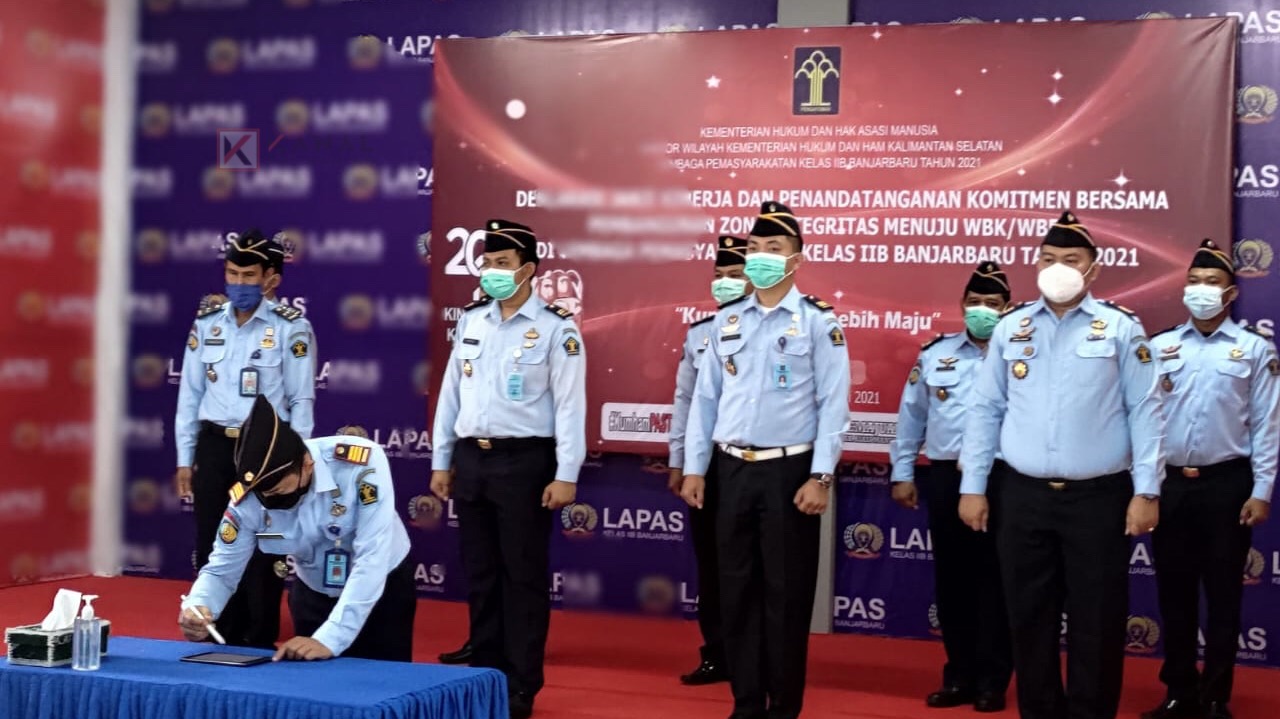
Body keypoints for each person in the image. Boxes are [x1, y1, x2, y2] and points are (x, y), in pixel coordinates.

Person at [959, 211, 1164, 719]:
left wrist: (1147, 490)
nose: (1058, 269)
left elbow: (1145, 410)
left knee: (1097, 620)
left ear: (1093, 269)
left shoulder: (1120, 328)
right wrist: (973, 485)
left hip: (1098, 497)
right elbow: (985, 408)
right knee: (1029, 618)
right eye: (1049, 259)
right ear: (1036, 265)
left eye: (1071, 260)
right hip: (1022, 495)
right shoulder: (1012, 326)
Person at [680, 201, 851, 719]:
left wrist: (821, 476)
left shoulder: (818, 322)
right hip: (730, 469)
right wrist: (695, 467)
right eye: (754, 248)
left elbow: (834, 404)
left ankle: (783, 706)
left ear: (796, 259)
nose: (759, 257)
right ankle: (747, 702)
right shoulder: (727, 320)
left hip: (788, 473)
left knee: (785, 595)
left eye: (773, 249)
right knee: (736, 592)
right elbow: (705, 399)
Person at [430, 219, 586, 719]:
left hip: (525, 462)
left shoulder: (557, 328)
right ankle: (485, 676)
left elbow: (570, 406)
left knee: (522, 576)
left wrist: (566, 473)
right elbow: (451, 393)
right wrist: (442, 459)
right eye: (487, 263)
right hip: (472, 457)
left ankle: (521, 685)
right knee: (480, 574)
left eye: (503, 263)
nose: (492, 271)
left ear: (528, 269)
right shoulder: (473, 320)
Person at [1143, 240, 1280, 719]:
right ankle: (1179, 692)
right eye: (1194, 282)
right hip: (1171, 486)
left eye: (1212, 282)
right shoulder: (1160, 347)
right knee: (1174, 595)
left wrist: (1261, 490)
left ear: (1230, 293)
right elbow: (1146, 421)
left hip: (1227, 485)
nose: (1201, 290)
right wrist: (1146, 486)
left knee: (1224, 596)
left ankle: (1216, 697)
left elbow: (1266, 424)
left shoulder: (1254, 349)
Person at [179, 396, 415, 661]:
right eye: (262, 494)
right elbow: (223, 568)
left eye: (278, 490)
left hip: (382, 591)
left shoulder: (360, 465)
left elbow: (372, 559)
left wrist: (330, 638)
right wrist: (199, 607)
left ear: (306, 465)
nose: (269, 499)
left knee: (386, 680)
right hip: (312, 592)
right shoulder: (248, 500)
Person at [174, 230, 317, 649]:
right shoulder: (206, 324)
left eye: (248, 275)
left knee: (264, 544)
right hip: (215, 446)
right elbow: (190, 396)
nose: (238, 283)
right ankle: (217, 632)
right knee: (211, 542)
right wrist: (185, 457)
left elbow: (301, 399)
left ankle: (258, 636)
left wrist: (297, 460)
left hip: (266, 450)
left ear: (271, 279)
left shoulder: (291, 328)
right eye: (232, 273)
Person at [889, 262, 1014, 712]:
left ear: (1008, 308)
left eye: (992, 303)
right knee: (953, 580)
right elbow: (912, 416)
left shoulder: (1021, 355)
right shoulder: (936, 354)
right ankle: (959, 676)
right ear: (962, 305)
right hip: (946, 477)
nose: (982, 310)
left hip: (1004, 478)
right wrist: (902, 472)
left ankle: (993, 682)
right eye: (975, 302)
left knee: (997, 581)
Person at [668, 234, 752, 686]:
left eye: (735, 275)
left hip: (753, 460)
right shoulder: (700, 333)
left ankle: (753, 655)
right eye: (719, 275)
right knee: (713, 562)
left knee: (752, 564)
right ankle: (717, 652)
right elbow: (685, 401)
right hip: (707, 462)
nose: (725, 283)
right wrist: (680, 461)